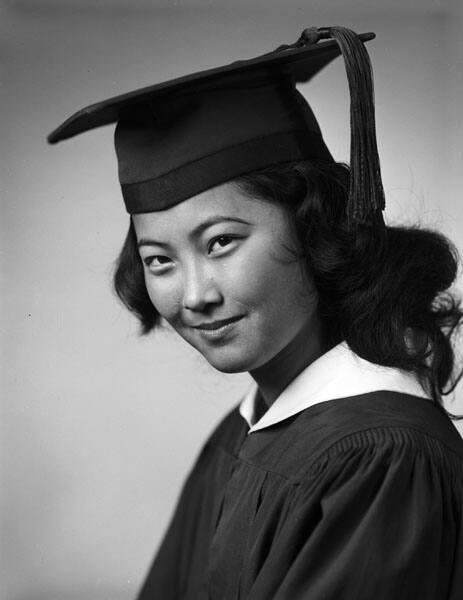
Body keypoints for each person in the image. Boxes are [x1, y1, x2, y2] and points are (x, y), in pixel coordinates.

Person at [48, 26, 463, 600]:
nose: (194, 295)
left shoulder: (380, 456)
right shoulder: (247, 430)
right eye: (159, 259)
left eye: (221, 242)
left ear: (315, 226)